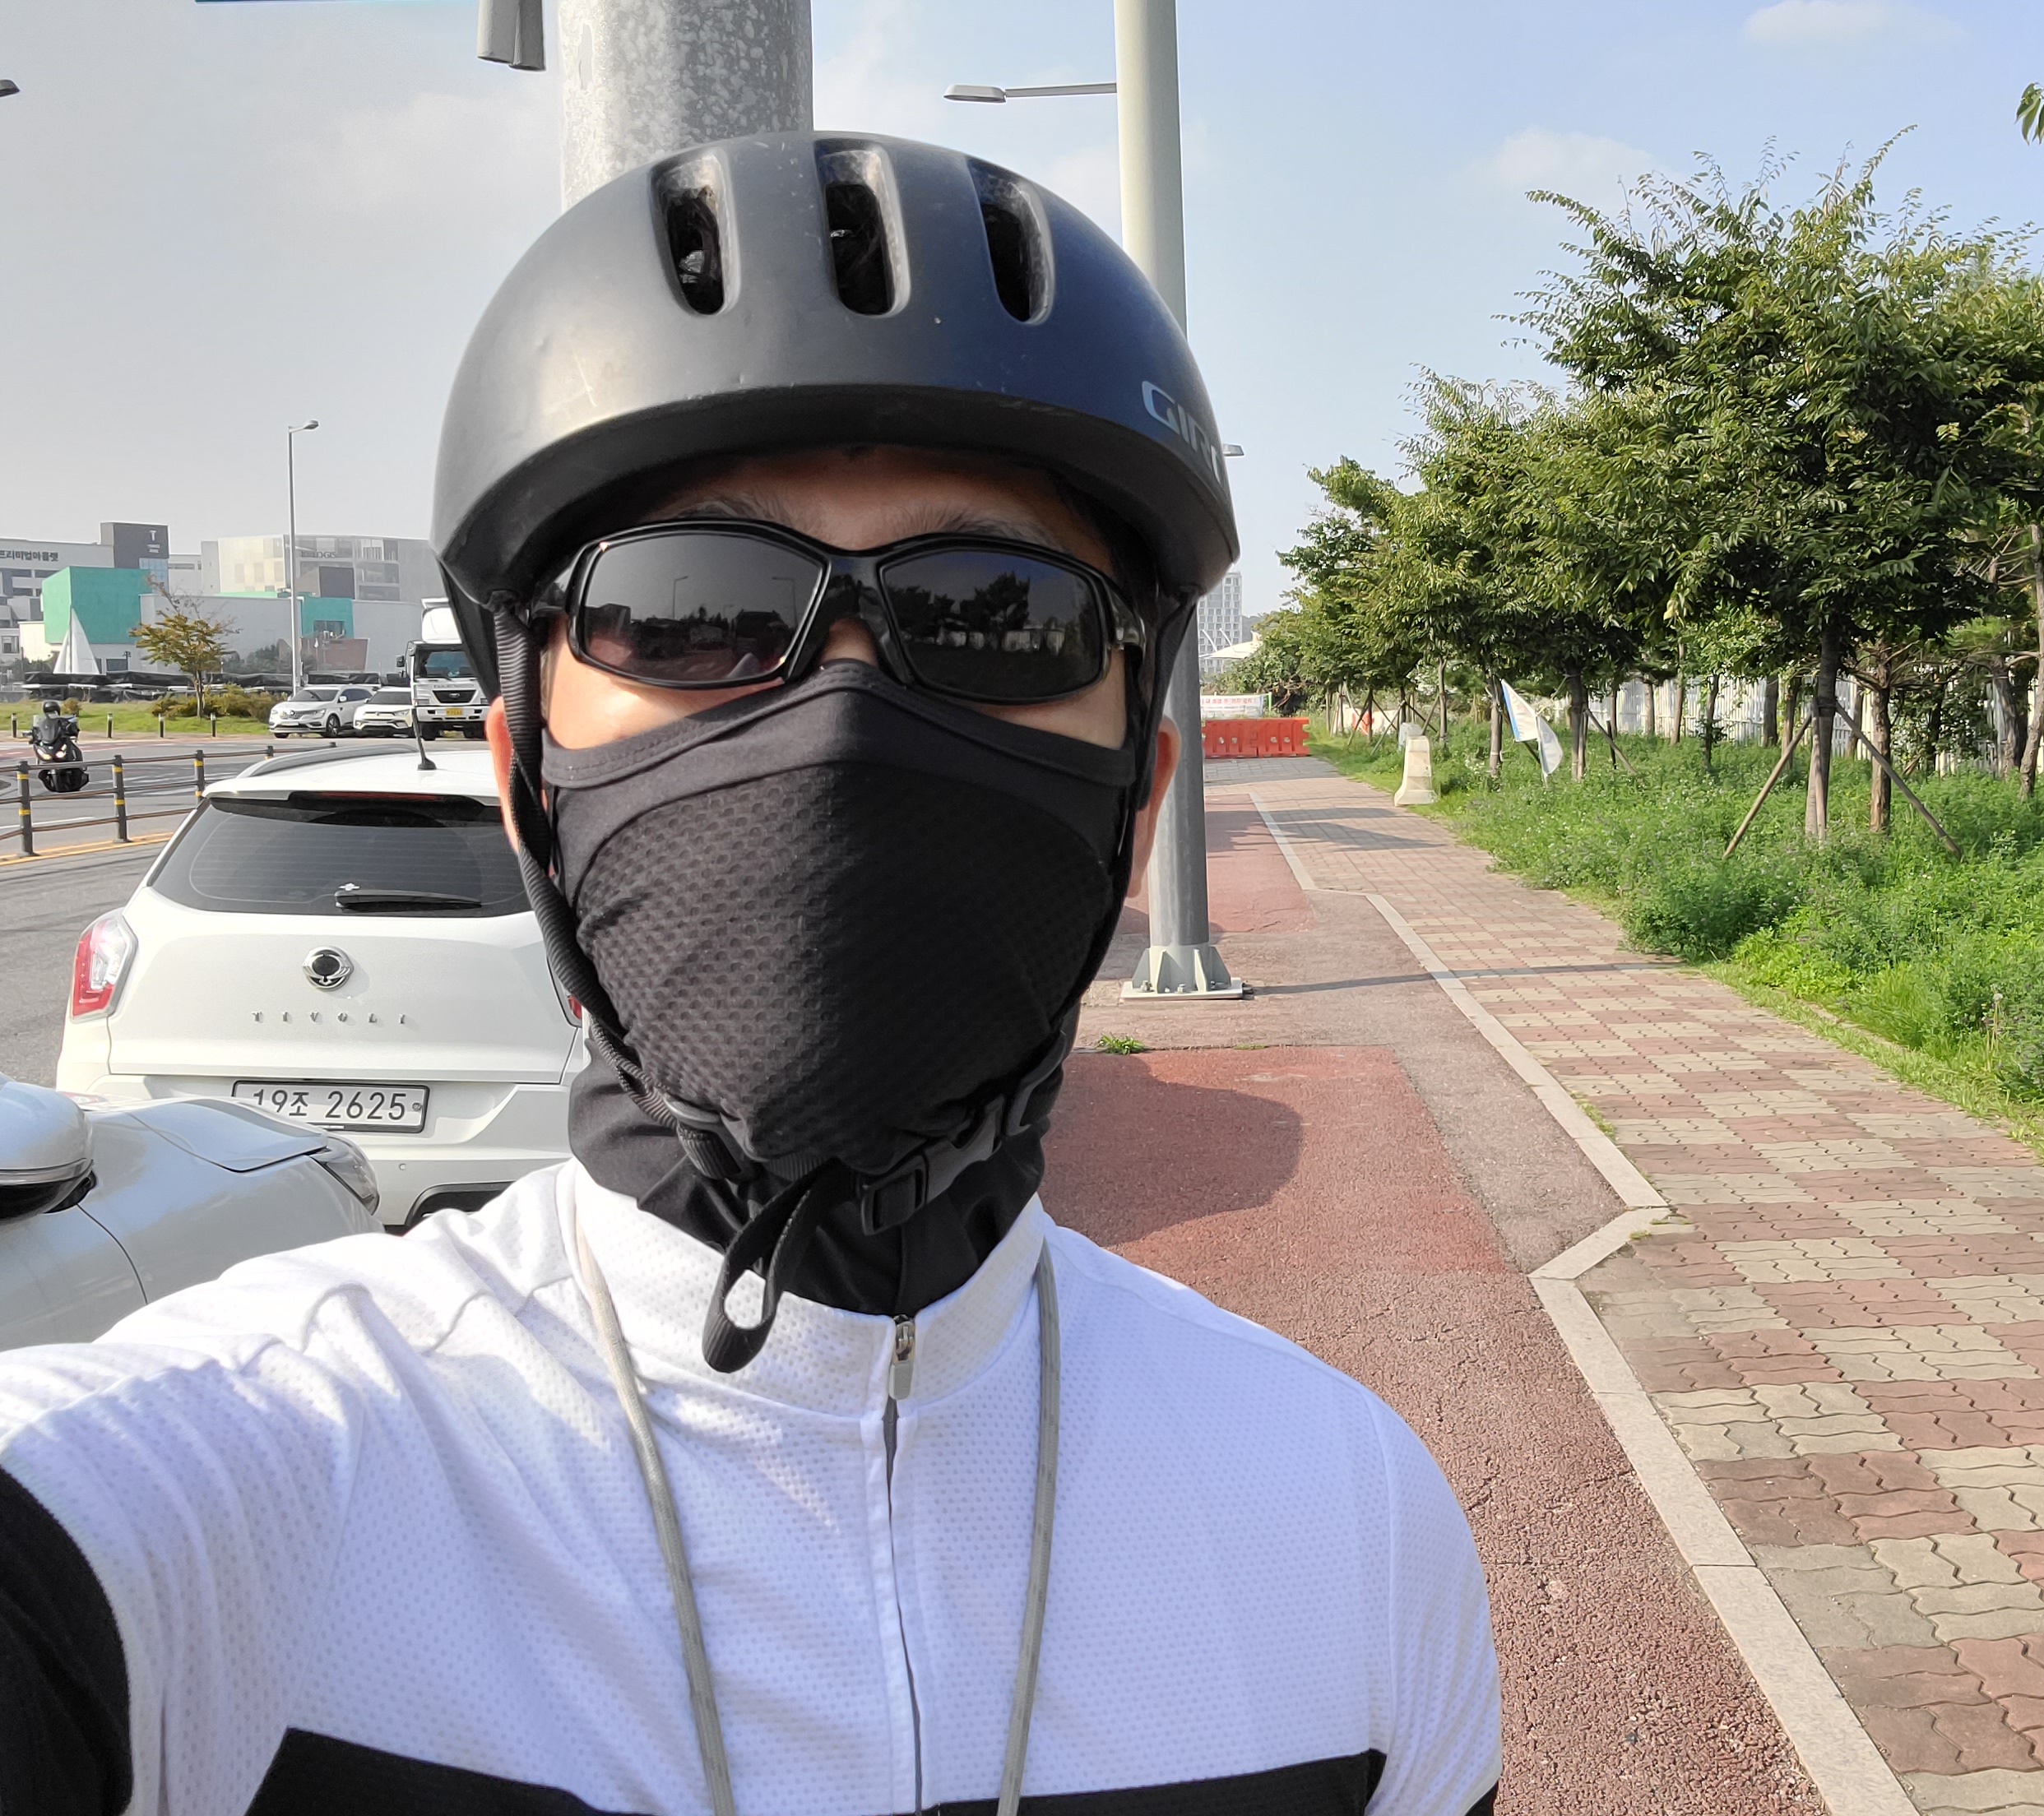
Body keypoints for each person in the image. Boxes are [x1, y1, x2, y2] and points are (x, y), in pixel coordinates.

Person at [0, 134, 1500, 1814]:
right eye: (688, 609)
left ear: (1134, 809)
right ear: (525, 782)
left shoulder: (1352, 1527)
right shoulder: (200, 1513)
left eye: (991, 614)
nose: (842, 719)